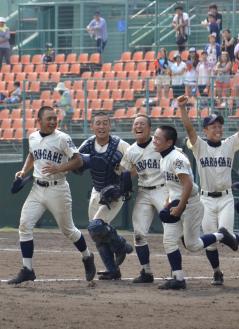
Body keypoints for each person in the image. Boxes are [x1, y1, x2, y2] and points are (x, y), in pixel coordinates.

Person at [179, 95, 239, 285]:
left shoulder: (229, 144)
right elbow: (189, 128)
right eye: (213, 126)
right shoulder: (199, 146)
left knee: (225, 234)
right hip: (206, 199)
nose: (218, 129)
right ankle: (217, 272)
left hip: (226, 198)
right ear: (206, 130)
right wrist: (182, 108)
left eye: (219, 126)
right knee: (211, 242)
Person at [8, 106, 96, 284]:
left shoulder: (63, 138)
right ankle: (28, 269)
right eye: (49, 119)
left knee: (68, 230)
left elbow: (78, 160)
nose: (53, 121)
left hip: (58, 189)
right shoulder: (33, 137)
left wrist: (59, 168)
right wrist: (24, 171)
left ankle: (87, 256)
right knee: (24, 226)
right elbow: (32, 155)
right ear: (39, 121)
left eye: (55, 118)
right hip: (37, 188)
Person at [152, 125, 239, 290]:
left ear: (169, 142)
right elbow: (173, 185)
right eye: (154, 137)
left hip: (190, 204)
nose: (154, 141)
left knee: (193, 245)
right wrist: (168, 201)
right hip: (176, 201)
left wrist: (180, 208)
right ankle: (178, 278)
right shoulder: (164, 156)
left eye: (158, 138)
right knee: (169, 240)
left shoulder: (176, 158)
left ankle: (221, 235)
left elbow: (187, 185)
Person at [78, 112, 132, 280]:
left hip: (115, 193)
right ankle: (112, 270)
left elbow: (134, 162)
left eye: (104, 123)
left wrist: (123, 177)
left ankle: (122, 246)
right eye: (98, 123)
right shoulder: (87, 144)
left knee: (95, 226)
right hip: (97, 191)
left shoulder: (120, 144)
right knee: (96, 234)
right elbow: (75, 160)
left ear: (110, 126)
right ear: (92, 126)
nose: (101, 126)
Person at [120, 114, 168, 283]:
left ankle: (177, 271)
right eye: (135, 124)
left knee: (172, 232)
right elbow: (124, 172)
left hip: (163, 190)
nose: (138, 127)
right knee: (139, 234)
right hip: (143, 191)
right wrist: (123, 182)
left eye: (142, 124)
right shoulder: (131, 150)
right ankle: (146, 271)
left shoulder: (159, 145)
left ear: (149, 129)